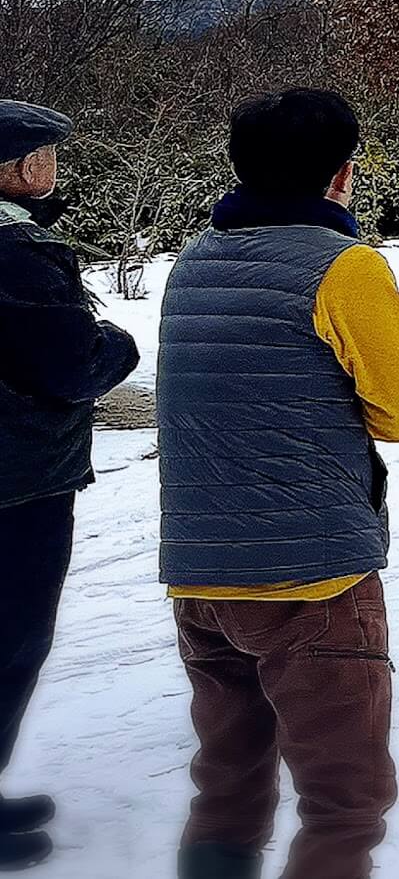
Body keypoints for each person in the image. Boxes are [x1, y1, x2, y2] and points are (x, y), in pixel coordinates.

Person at [157, 89, 399, 879]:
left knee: (228, 784)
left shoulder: (192, 264)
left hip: (202, 575)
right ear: (342, 176)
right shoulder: (345, 267)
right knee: (345, 800)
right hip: (313, 576)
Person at [0, 101, 141, 874]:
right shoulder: (19, 252)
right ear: (21, 169)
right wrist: (118, 343)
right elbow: (73, 363)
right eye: (46, 157)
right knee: (12, 638)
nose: (54, 172)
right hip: (18, 481)